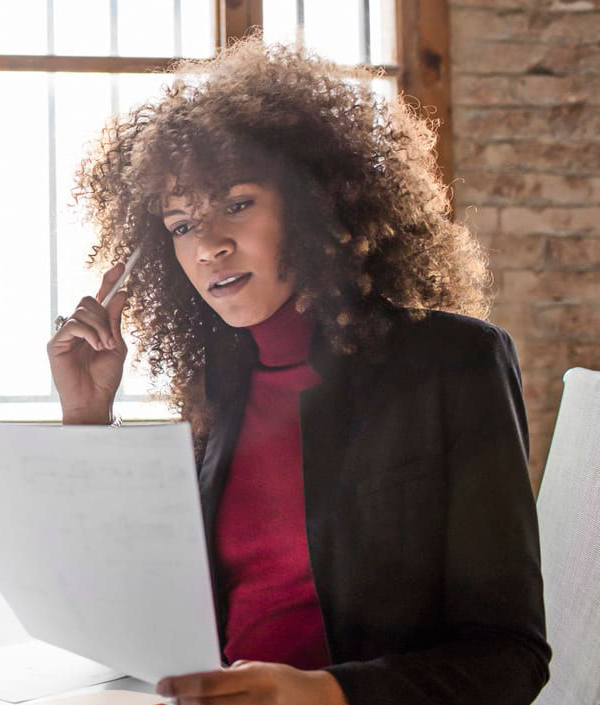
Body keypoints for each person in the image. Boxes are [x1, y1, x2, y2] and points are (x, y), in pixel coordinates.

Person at [48, 39, 549, 705]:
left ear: (316, 200)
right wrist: (87, 419)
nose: (209, 245)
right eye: (181, 223)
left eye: (238, 203)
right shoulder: (224, 382)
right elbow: (146, 606)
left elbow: (511, 656)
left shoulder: (456, 364)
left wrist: (329, 693)